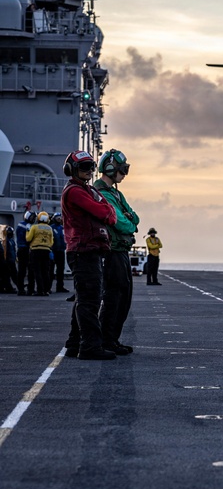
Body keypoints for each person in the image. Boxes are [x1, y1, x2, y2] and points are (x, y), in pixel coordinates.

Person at [61, 149, 118, 360]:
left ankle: (74, 344)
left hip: (88, 250)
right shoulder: (75, 192)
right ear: (72, 169)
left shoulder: (86, 190)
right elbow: (105, 212)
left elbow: (108, 211)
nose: (90, 171)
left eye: (91, 166)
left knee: (85, 300)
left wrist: (106, 211)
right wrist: (106, 211)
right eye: (84, 167)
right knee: (90, 302)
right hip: (83, 251)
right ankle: (90, 347)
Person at [94, 148, 140, 355]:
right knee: (113, 297)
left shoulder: (116, 194)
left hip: (120, 252)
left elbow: (135, 217)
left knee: (123, 298)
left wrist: (130, 220)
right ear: (111, 168)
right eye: (122, 170)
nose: (124, 174)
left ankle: (112, 339)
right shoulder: (101, 194)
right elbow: (123, 223)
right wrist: (129, 223)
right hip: (111, 252)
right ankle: (106, 340)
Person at [26, 211, 54, 296]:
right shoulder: (49, 228)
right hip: (46, 251)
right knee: (45, 271)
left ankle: (39, 290)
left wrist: (27, 231)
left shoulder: (34, 227)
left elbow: (28, 239)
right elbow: (51, 242)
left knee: (37, 271)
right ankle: (46, 290)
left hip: (35, 250)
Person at [15, 210, 35, 296]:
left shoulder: (20, 224)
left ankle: (21, 288)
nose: (33, 219)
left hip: (22, 249)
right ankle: (28, 288)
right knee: (28, 270)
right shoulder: (27, 226)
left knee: (22, 270)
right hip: (25, 249)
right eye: (32, 217)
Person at [50, 212, 69, 293]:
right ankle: (48, 287)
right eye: (57, 217)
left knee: (60, 270)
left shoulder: (62, 228)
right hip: (53, 250)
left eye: (60, 217)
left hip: (61, 251)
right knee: (50, 270)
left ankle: (60, 287)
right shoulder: (51, 228)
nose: (59, 219)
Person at [1, 226, 17, 294]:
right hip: (7, 260)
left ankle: (8, 287)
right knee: (7, 275)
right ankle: (8, 288)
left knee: (9, 275)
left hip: (11, 260)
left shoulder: (11, 241)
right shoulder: (5, 241)